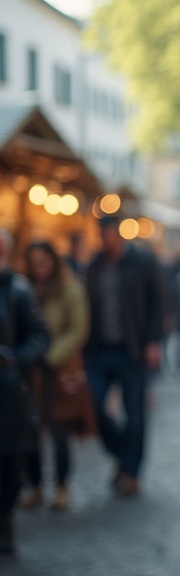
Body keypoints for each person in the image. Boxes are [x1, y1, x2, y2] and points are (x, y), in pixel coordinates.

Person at [83, 215, 164, 496]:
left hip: (132, 350)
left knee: (135, 413)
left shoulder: (142, 262)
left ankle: (131, 470)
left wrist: (153, 342)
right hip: (100, 349)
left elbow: (158, 302)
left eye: (108, 234)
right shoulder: (94, 265)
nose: (105, 239)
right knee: (93, 405)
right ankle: (121, 451)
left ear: (119, 234)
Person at [20, 241, 90, 511]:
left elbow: (77, 329)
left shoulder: (70, 289)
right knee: (30, 432)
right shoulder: (25, 289)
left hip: (58, 370)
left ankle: (61, 486)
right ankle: (34, 484)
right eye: (34, 263)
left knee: (59, 430)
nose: (39, 269)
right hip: (30, 372)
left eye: (43, 262)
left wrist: (51, 356)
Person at [0, 229, 50, 554]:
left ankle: (4, 520)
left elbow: (39, 337)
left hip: (7, 395)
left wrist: (13, 358)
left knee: (7, 464)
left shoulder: (17, 291)